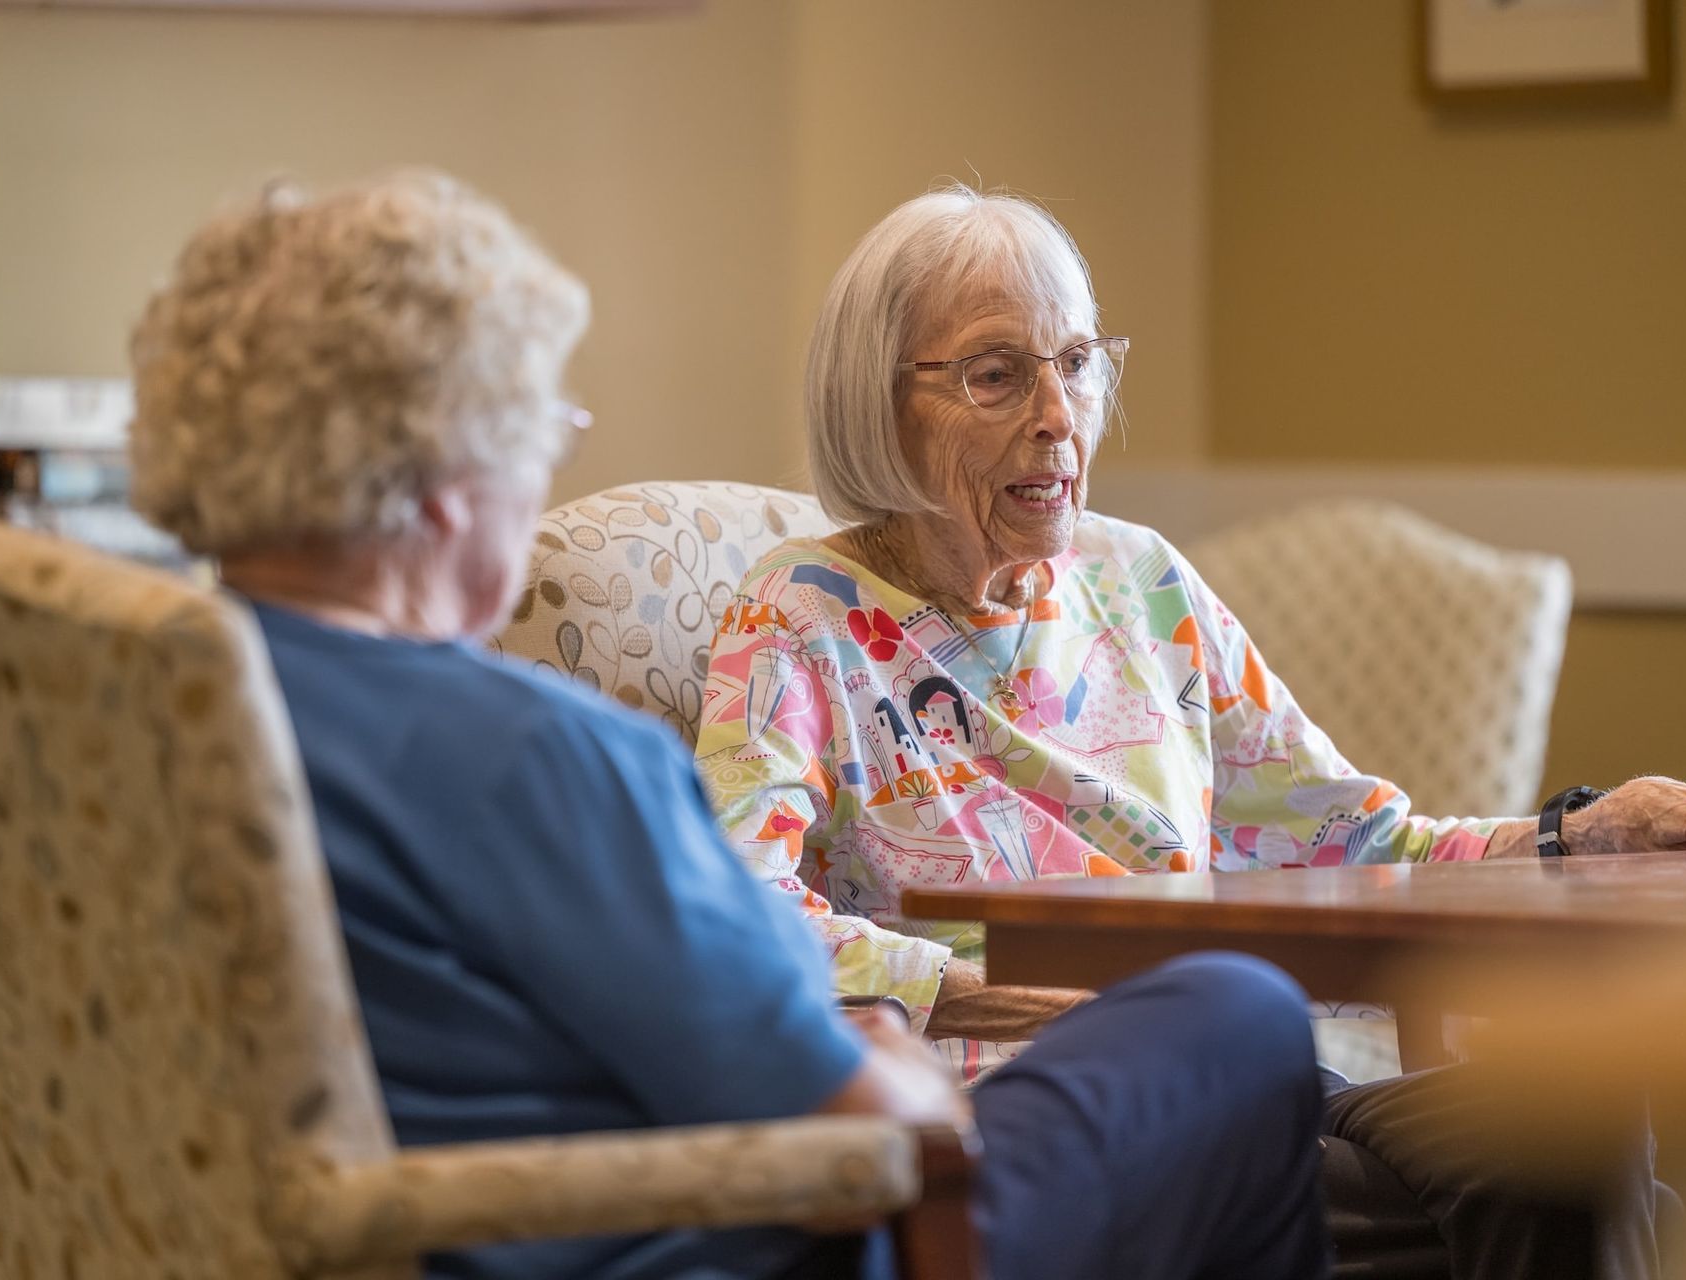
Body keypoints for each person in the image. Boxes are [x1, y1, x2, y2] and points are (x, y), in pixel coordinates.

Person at [125, 171, 1330, 1280]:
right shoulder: (535, 758)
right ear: (447, 479)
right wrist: (905, 1061)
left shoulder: (128, 713)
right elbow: (852, 1118)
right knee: (1238, 1012)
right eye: (542, 430)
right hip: (731, 1247)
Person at [694, 184, 1686, 1279]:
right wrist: (994, 983)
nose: (1058, 413)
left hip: (1247, 1077)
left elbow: (1355, 839)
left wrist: (1575, 836)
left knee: (1570, 1131)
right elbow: (737, 918)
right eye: (995, 372)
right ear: (879, 404)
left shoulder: (1140, 579)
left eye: (1076, 362)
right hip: (1025, 1113)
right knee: (1615, 1206)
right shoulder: (800, 616)